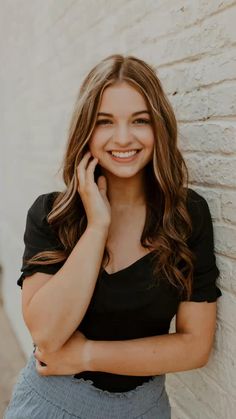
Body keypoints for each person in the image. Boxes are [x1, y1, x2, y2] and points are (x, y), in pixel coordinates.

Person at [4, 54, 222, 419]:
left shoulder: (185, 216)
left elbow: (196, 346)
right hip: (51, 406)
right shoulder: (52, 215)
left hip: (145, 409)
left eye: (140, 120)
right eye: (105, 122)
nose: (124, 138)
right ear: (86, 130)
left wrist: (86, 353)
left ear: (159, 127)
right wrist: (97, 227)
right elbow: (46, 333)